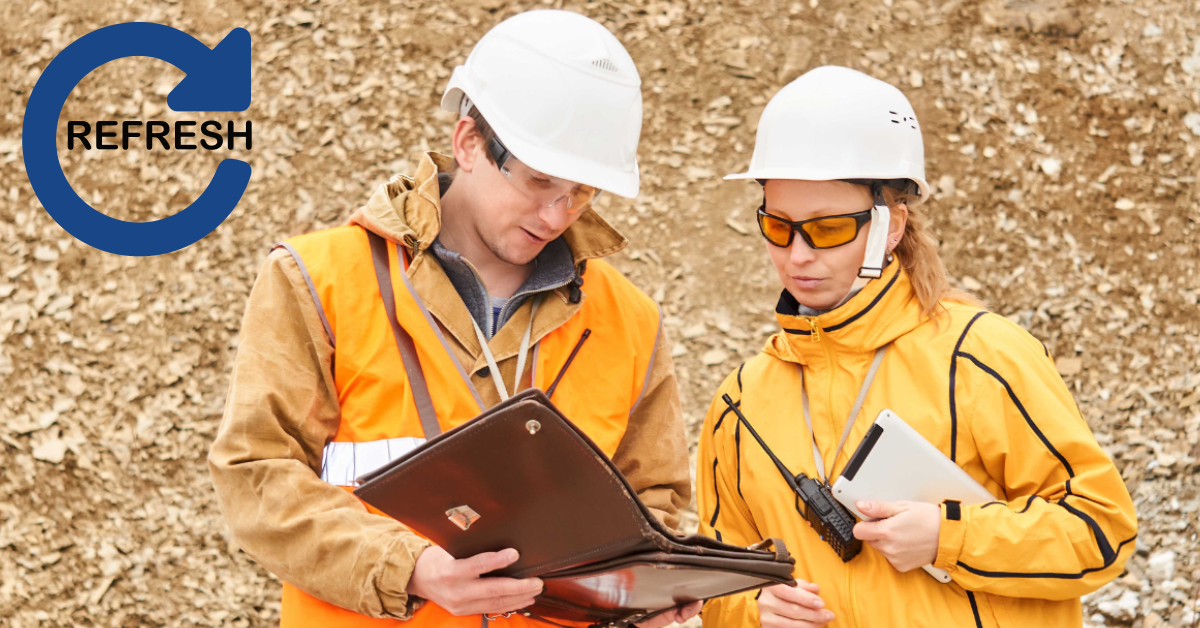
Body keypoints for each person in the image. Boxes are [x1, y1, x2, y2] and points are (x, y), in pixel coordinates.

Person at [208, 11, 699, 628]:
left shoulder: (628, 321)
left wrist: (650, 599)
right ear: (468, 142)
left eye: (581, 194)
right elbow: (257, 477)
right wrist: (408, 567)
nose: (556, 215)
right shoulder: (319, 281)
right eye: (540, 181)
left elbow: (656, 510)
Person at [696, 65, 1137, 628]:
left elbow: (1102, 531)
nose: (797, 256)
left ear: (893, 225)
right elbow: (713, 584)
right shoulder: (739, 405)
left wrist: (950, 537)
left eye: (827, 229)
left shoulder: (982, 358)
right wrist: (751, 611)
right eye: (778, 226)